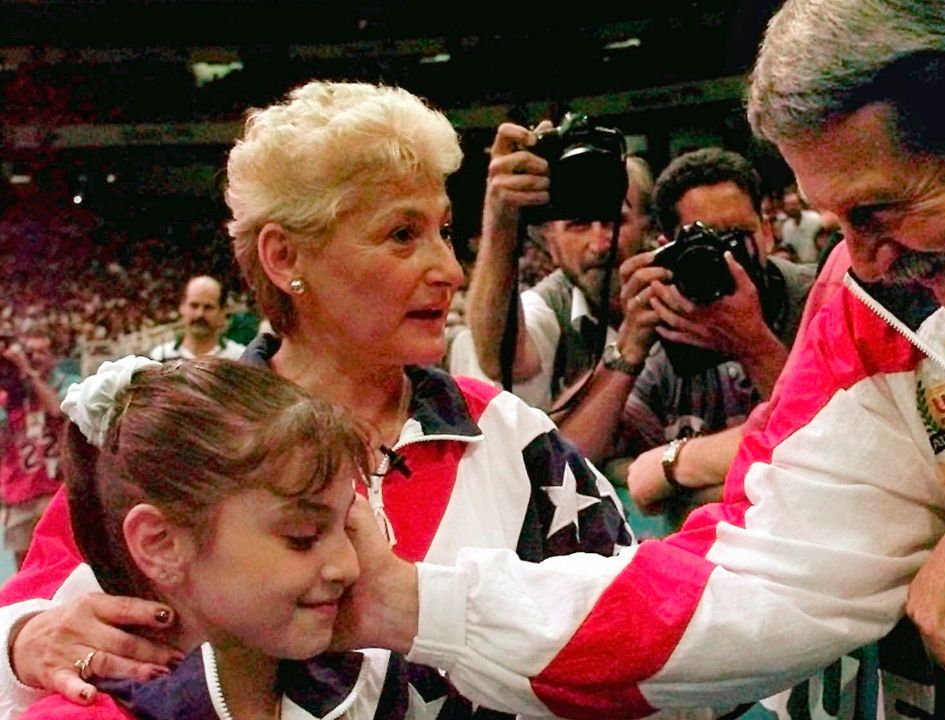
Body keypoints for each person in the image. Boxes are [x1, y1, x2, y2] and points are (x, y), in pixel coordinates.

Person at [302, 3, 945, 717]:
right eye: (833, 222)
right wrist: (406, 602)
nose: (858, 258)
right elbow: (732, 593)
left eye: (876, 209)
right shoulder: (870, 307)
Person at [0, 81, 630, 719]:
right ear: (283, 256)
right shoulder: (185, 432)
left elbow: (633, 625)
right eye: (402, 235)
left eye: (443, 230)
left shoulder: (510, 436)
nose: (449, 269)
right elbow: (32, 609)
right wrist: (23, 639)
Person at [24, 355, 451, 719]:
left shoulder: (385, 684)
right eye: (302, 536)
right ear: (161, 544)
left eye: (347, 526)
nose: (349, 566)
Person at [563, 148, 814, 519]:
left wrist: (754, 344)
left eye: (737, 236)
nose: (727, 258)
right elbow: (568, 463)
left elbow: (836, 442)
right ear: (670, 246)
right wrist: (629, 345)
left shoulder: (816, 299)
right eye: (707, 242)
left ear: (766, 230)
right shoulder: (667, 317)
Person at [456, 138, 656, 413]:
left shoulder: (678, 287)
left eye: (614, 220)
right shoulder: (550, 304)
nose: (599, 245)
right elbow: (498, 359)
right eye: (579, 225)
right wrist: (501, 215)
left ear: (648, 228)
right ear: (551, 244)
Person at [0, 329, 77, 568]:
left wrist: (29, 374)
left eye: (42, 352)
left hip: (55, 489)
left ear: (54, 356)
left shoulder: (69, 383)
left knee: (64, 562)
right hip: (19, 492)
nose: (35, 357)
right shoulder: (11, 392)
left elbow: (58, 410)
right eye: (29, 352)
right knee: (24, 568)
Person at [146, 276, 246, 362]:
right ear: (182, 307)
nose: (199, 314)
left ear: (222, 311)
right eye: (194, 305)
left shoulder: (238, 358)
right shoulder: (161, 356)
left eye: (208, 307)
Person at [776, 185, 823, 264]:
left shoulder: (815, 219)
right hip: (799, 266)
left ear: (800, 204)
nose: (792, 208)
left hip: (817, 262)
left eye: (794, 204)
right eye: (789, 205)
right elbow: (789, 248)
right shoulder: (786, 227)